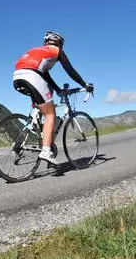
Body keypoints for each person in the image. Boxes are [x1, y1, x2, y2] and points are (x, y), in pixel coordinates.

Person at [12, 31, 93, 165]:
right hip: (32, 76)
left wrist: (57, 90)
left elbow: (46, 76)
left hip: (17, 77)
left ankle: (36, 127)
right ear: (59, 43)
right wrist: (85, 84)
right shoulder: (57, 51)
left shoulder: (37, 50)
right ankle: (46, 150)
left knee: (45, 98)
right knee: (50, 114)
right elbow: (70, 71)